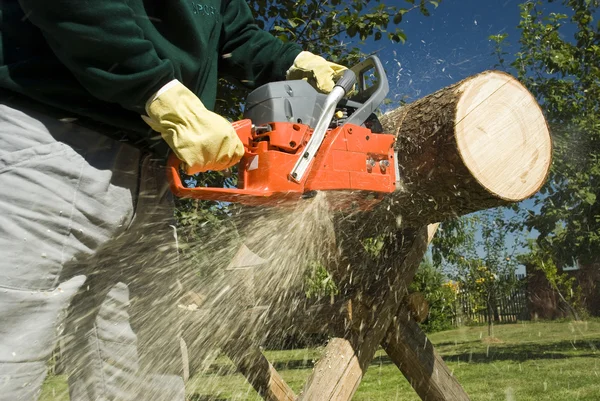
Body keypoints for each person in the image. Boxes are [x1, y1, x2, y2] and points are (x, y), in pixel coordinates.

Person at [0, 1, 346, 400]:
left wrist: (294, 61)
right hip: (48, 137)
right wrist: (156, 90)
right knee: (11, 352)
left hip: (151, 172)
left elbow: (235, 35)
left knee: (147, 375)